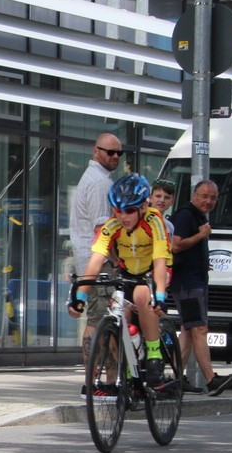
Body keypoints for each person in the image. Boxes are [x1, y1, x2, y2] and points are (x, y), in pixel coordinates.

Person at [68, 174, 171, 391]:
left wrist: (160, 296)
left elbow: (160, 260)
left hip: (154, 270)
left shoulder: (155, 222)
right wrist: (80, 297)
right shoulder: (112, 226)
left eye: (129, 211)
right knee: (115, 314)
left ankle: (154, 353)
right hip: (128, 272)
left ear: (143, 206)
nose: (123, 216)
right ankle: (128, 368)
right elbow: (94, 264)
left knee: (143, 296)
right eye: (118, 210)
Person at [170, 179, 232, 396]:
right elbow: (175, 245)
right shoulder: (186, 215)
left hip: (194, 280)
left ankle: (176, 379)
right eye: (204, 196)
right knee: (199, 329)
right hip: (188, 284)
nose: (208, 201)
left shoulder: (196, 216)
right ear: (194, 195)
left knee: (189, 331)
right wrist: (201, 235)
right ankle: (211, 380)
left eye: (213, 197)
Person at [69, 134, 124, 391]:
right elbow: (103, 228)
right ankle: (105, 383)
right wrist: (115, 259)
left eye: (118, 154)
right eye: (109, 152)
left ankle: (94, 382)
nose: (114, 157)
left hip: (89, 259)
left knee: (96, 318)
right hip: (98, 261)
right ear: (95, 151)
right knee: (103, 319)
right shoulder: (100, 183)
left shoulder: (93, 178)